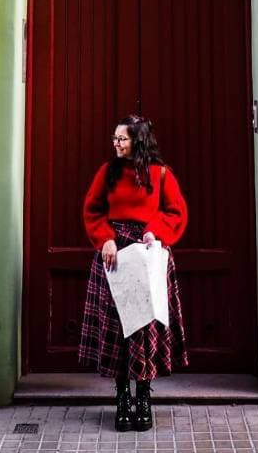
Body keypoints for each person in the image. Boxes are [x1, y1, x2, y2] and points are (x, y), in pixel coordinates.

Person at [78, 114, 189, 432]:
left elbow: (175, 210)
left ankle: (144, 398)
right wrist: (105, 239)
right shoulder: (107, 172)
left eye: (122, 138)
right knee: (117, 328)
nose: (116, 143)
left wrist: (155, 232)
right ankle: (121, 398)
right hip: (114, 256)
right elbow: (92, 209)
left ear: (138, 140)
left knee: (144, 327)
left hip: (147, 254)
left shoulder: (161, 174)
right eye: (114, 138)